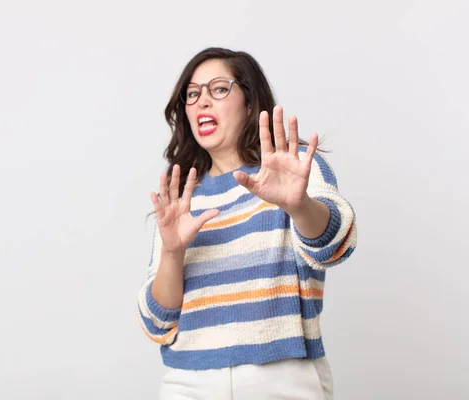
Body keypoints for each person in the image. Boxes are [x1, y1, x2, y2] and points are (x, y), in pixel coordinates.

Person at [136, 47, 357, 400]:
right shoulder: (181, 199)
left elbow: (336, 244)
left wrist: (298, 206)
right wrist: (173, 253)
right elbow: (157, 322)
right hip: (188, 382)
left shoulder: (291, 167)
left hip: (283, 377)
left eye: (219, 89)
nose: (202, 102)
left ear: (250, 102)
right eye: (192, 94)